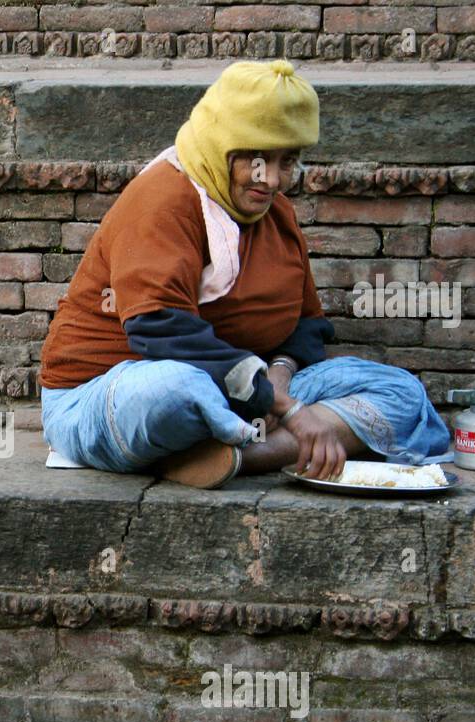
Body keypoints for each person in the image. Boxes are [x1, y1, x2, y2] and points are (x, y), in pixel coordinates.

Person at [39, 59, 452, 488]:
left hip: (247, 394)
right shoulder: (162, 199)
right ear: (220, 145)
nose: (271, 180)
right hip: (109, 394)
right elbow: (157, 328)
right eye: (257, 160)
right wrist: (287, 409)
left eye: (286, 162)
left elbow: (307, 324)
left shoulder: (276, 214)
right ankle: (270, 438)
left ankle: (240, 455)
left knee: (400, 391)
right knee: (176, 390)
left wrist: (279, 377)